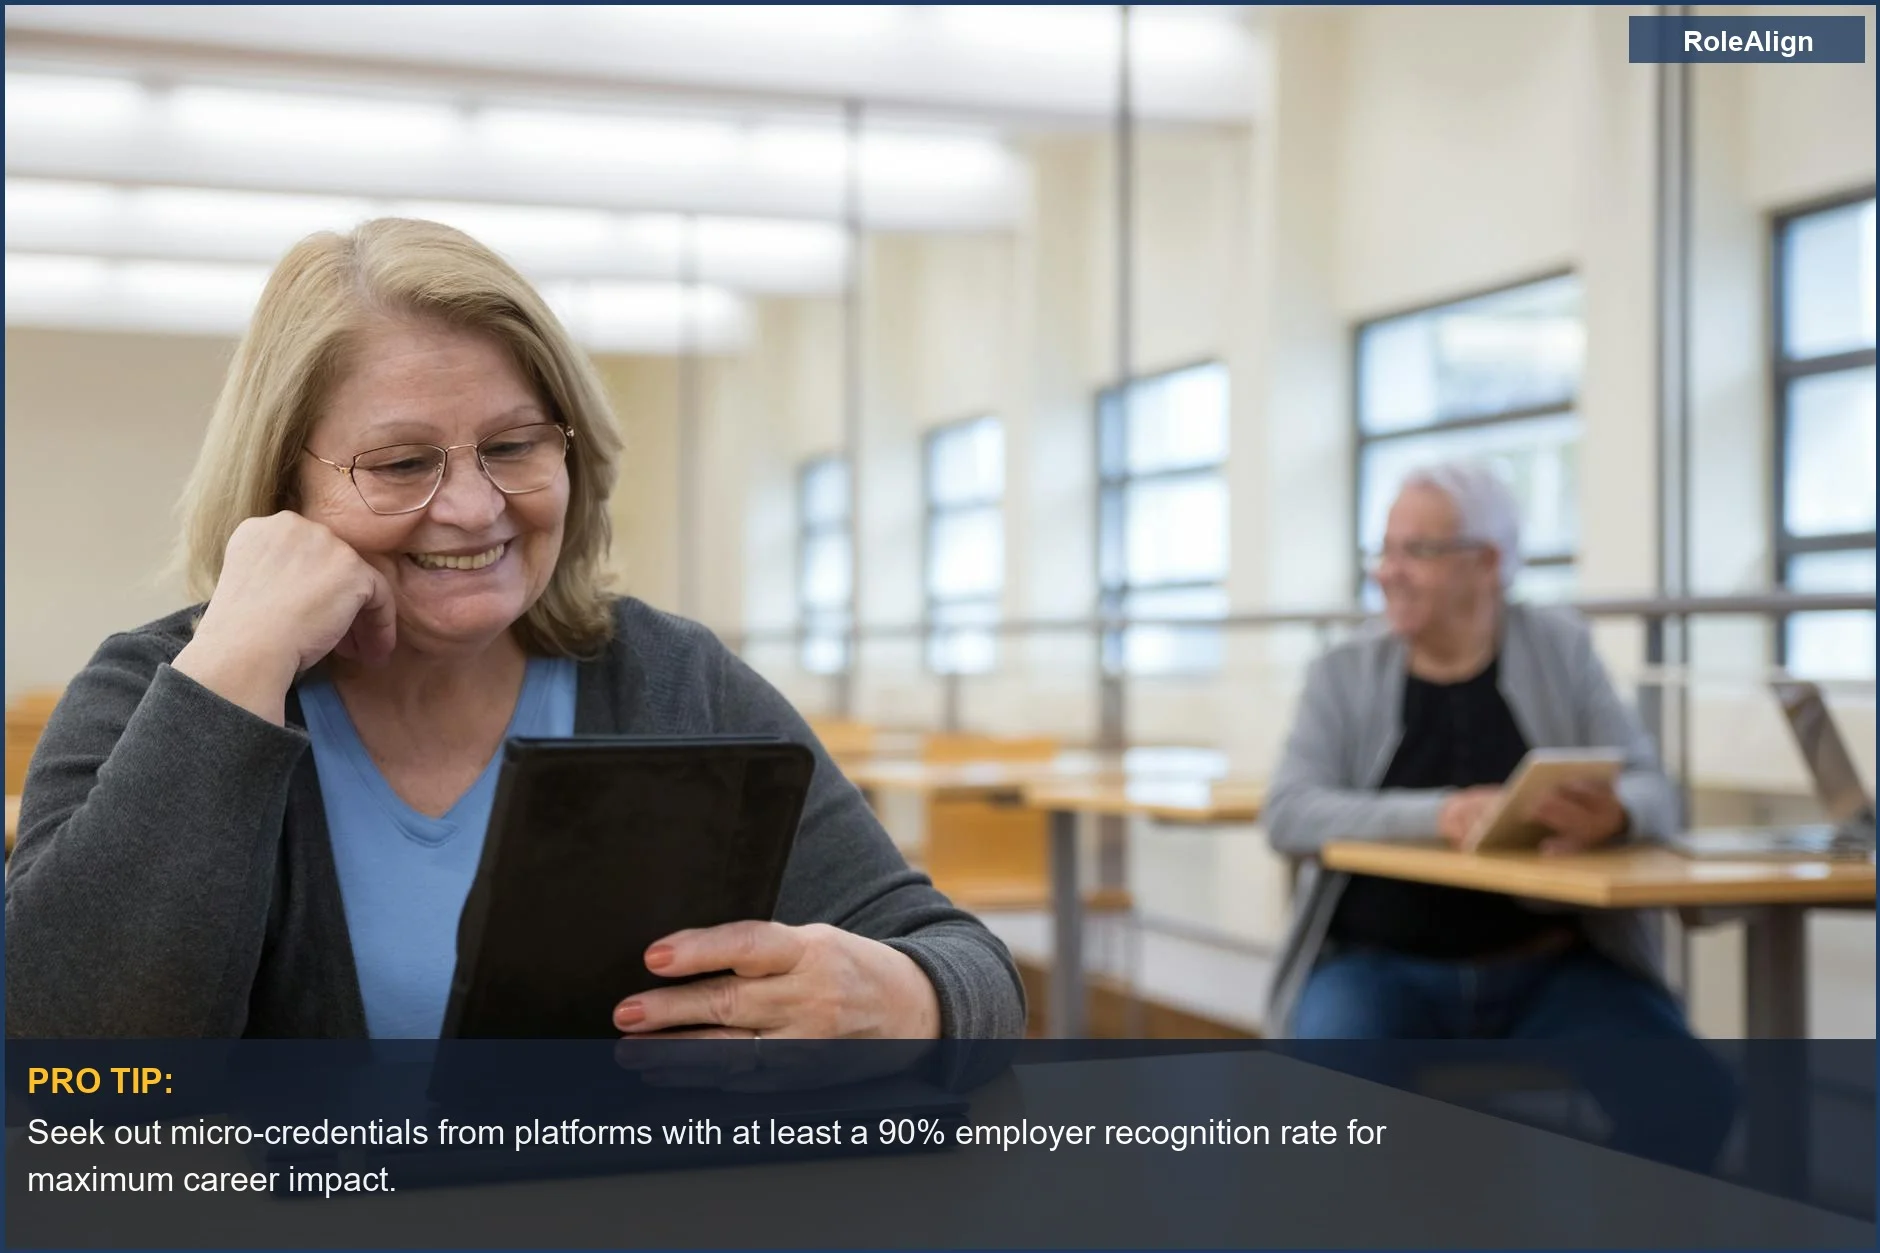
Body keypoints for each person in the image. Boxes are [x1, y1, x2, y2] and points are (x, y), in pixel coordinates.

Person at [5, 218, 1025, 1044]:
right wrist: (236, 662)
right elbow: (59, 1063)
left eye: (513, 444)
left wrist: (900, 996)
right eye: (402, 464)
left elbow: (975, 974)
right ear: (282, 487)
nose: (473, 506)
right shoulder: (154, 692)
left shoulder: (666, 678)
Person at [1264, 463, 1734, 1167]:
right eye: (1384, 550)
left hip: (1553, 969)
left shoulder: (1562, 650)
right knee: (1328, 1109)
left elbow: (1656, 792)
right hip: (1380, 968)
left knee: (1695, 1099)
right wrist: (1442, 814)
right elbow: (1289, 812)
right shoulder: (1343, 671)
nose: (1387, 572)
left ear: (1486, 563)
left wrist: (1615, 814)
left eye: (1412, 552)